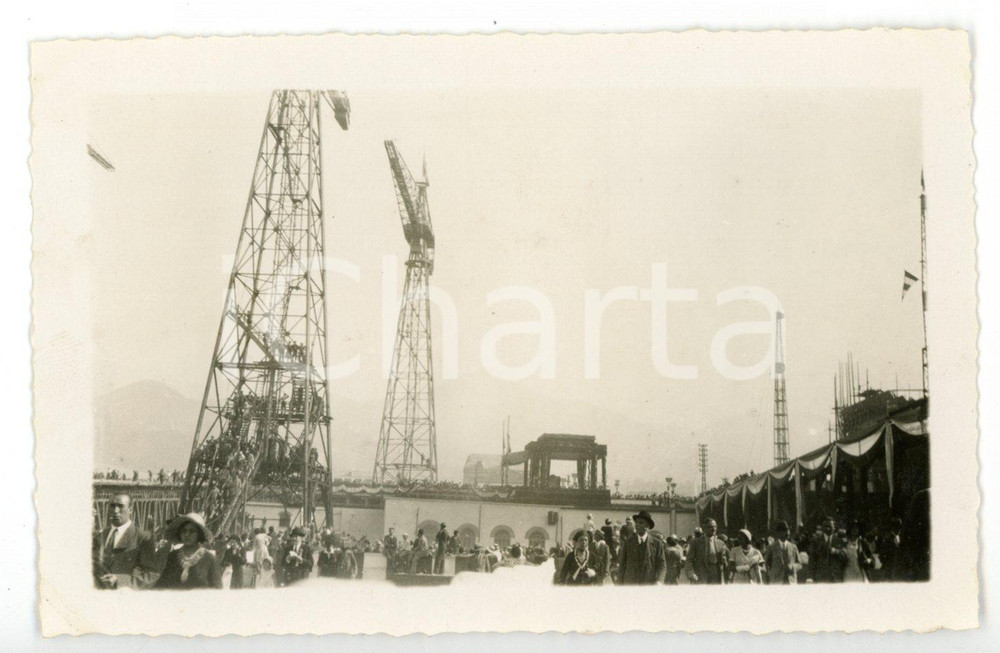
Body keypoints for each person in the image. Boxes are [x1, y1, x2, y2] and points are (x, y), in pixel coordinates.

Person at [92, 493, 161, 589]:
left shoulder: (142, 538)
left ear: (131, 510)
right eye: (112, 506)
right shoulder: (100, 536)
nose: (116, 511)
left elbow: (152, 576)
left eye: (121, 506)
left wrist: (119, 580)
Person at [154, 513, 222, 589]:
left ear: (199, 534)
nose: (187, 534)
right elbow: (162, 584)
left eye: (192, 531)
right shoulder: (172, 556)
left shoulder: (209, 558)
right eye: (184, 531)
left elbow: (217, 590)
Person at [617, 511, 667, 585]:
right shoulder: (628, 542)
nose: (637, 525)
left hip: (648, 585)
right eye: (636, 522)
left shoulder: (657, 543)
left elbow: (662, 565)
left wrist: (659, 581)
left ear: (648, 526)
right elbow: (622, 565)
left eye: (641, 523)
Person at [685, 518, 729, 584]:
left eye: (715, 527)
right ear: (704, 528)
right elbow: (689, 560)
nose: (713, 529)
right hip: (700, 576)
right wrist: (691, 573)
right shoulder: (696, 542)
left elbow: (725, 562)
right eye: (710, 527)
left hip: (715, 577)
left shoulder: (721, 543)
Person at [808, 516, 845, 583]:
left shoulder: (840, 540)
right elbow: (812, 559)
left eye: (830, 526)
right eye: (825, 526)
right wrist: (810, 577)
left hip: (836, 578)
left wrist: (835, 551)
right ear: (822, 527)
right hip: (821, 578)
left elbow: (844, 556)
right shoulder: (816, 540)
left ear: (834, 527)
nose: (827, 528)